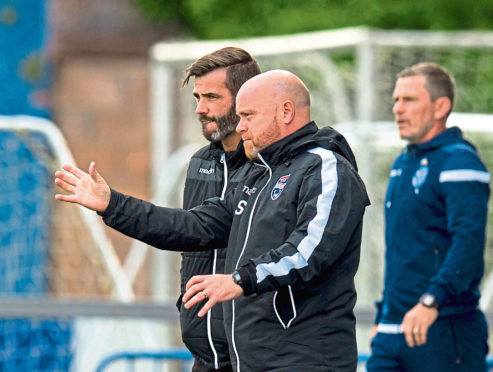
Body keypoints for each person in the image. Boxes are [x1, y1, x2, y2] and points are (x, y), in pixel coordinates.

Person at [54, 69, 370, 371]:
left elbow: (309, 252)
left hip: (306, 361)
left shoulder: (326, 169)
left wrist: (238, 280)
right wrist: (113, 205)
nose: (240, 127)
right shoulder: (257, 176)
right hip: (254, 362)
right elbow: (193, 227)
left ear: (286, 112)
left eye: (248, 116)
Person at [367, 62, 490, 372]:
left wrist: (431, 301)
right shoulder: (402, 163)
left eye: (409, 100)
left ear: (441, 107)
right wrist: (384, 315)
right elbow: (402, 250)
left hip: (442, 325)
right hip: (393, 329)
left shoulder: (459, 161)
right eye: (396, 99)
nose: (397, 108)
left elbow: (469, 244)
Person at [177, 47, 260, 372]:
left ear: (244, 99)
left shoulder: (272, 166)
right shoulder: (200, 163)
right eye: (197, 97)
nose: (201, 108)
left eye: (211, 97)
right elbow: (190, 240)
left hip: (253, 356)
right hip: (205, 356)